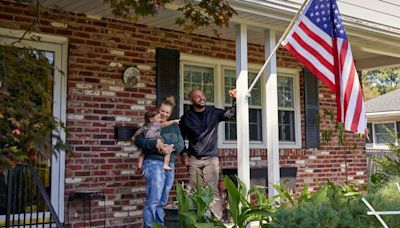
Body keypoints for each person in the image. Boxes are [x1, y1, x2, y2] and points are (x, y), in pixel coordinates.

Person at [180, 88, 236, 220]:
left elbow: (231, 114)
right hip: (194, 159)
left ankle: (216, 221)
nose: (201, 98)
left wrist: (235, 100)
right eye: (197, 96)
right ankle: (198, 221)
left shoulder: (213, 112)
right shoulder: (186, 118)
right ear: (191, 100)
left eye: (202, 95)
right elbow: (179, 137)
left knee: (212, 190)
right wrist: (183, 153)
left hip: (211, 158)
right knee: (195, 191)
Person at [134, 97, 184, 228]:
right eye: (162, 111)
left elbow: (181, 145)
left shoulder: (173, 127)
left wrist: (171, 148)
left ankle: (159, 226)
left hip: (169, 164)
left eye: (167, 112)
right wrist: (154, 143)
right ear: (158, 109)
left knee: (162, 201)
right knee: (153, 200)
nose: (164, 114)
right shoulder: (151, 124)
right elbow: (138, 140)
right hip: (153, 163)